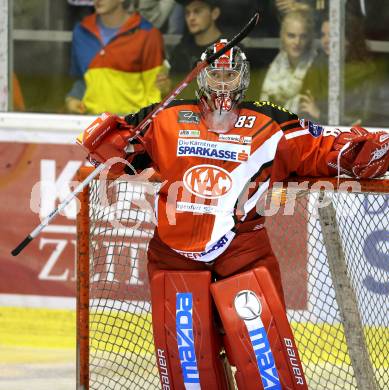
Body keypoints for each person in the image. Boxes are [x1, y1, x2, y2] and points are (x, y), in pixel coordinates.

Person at [77, 40, 389, 389]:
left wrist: (369, 149)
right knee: (191, 369)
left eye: (229, 75)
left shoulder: (270, 123)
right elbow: (117, 150)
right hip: (175, 256)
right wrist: (106, 141)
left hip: (242, 253)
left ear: (243, 78)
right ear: (201, 76)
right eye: (216, 74)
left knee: (266, 364)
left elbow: (327, 151)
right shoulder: (165, 116)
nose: (222, 84)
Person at [66, 0, 165, 115]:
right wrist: (72, 98)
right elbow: (82, 79)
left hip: (131, 125)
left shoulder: (147, 34)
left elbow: (155, 91)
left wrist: (143, 127)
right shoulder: (81, 32)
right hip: (91, 123)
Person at [299, 14, 377, 125]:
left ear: (348, 39)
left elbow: (362, 121)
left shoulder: (366, 71)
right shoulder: (317, 66)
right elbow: (305, 110)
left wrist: (320, 115)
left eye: (332, 35)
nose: (325, 40)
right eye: (323, 35)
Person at [260, 4, 317, 113]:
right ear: (283, 37)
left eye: (303, 36)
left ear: (309, 38)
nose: (297, 42)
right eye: (291, 36)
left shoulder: (317, 67)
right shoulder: (276, 65)